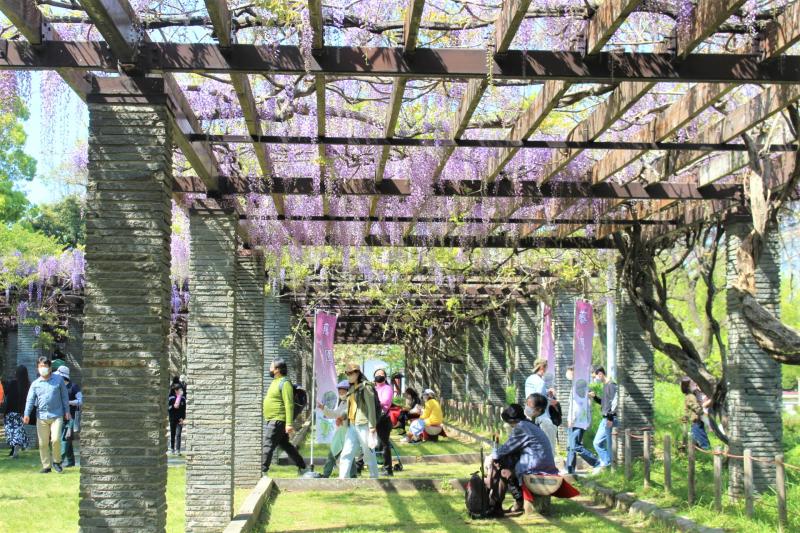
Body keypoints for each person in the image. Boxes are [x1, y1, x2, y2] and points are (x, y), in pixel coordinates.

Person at [488, 402, 577, 513]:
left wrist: (492, 455)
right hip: (544, 464)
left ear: (511, 420)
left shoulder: (521, 427)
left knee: (502, 467)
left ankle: (499, 505)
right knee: (506, 463)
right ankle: (509, 503)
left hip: (535, 466)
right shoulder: (529, 425)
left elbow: (507, 448)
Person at [23, 357, 70, 473]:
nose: (42, 368)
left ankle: (57, 462)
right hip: (42, 417)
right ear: (37, 368)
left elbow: (65, 396)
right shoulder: (35, 384)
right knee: (43, 443)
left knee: (55, 439)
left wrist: (67, 411)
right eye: (40, 366)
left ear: (49, 368)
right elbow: (30, 400)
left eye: (45, 366)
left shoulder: (58, 380)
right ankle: (46, 466)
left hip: (57, 415)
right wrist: (26, 414)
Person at [262, 358, 307, 474]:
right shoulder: (275, 381)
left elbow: (289, 404)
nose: (269, 369)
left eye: (271, 366)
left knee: (268, 444)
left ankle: (262, 471)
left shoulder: (285, 382)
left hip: (278, 419)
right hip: (273, 419)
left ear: (277, 369)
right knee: (286, 445)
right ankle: (302, 467)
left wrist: (289, 424)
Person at [338, 362, 379, 479]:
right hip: (352, 425)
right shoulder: (351, 388)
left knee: (368, 453)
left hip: (364, 425)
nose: (348, 375)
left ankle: (374, 478)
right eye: (347, 373)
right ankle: (342, 480)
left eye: (350, 373)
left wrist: (372, 426)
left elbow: (371, 408)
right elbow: (350, 407)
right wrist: (342, 417)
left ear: (357, 373)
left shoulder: (366, 387)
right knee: (346, 453)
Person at [317, 380, 357, 478]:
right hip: (341, 432)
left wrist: (341, 418)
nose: (341, 393)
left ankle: (352, 476)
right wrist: (323, 408)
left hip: (349, 432)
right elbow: (335, 414)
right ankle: (327, 474)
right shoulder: (342, 402)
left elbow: (346, 413)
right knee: (334, 453)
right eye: (339, 392)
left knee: (347, 454)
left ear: (348, 391)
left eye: (343, 391)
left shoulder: (352, 401)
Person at [564, 365, 600, 474]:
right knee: (571, 446)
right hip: (577, 420)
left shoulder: (579, 384)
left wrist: (572, 418)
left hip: (577, 421)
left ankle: (596, 462)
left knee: (575, 446)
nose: (567, 374)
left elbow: (578, 405)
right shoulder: (578, 384)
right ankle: (570, 469)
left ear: (574, 372)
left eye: (569, 371)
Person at [523, 358, 558, 456]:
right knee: (548, 443)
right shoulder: (540, 382)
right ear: (542, 367)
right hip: (541, 416)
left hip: (529, 414)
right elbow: (538, 400)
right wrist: (551, 402)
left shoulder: (530, 379)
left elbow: (532, 395)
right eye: (546, 368)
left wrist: (546, 391)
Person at [588, 366, 617, 468]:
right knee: (597, 443)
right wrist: (595, 397)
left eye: (595, 377)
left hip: (609, 419)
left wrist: (610, 418)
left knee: (609, 445)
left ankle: (610, 466)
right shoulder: (605, 385)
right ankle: (607, 463)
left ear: (600, 374)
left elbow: (615, 403)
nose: (595, 379)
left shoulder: (611, 385)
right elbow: (604, 403)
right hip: (605, 419)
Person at [54, 366, 82, 467]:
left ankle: (59, 461)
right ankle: (71, 461)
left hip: (71, 417)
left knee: (65, 438)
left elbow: (81, 400)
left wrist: (68, 402)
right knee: (66, 438)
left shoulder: (74, 387)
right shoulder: (58, 387)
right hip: (60, 416)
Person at [2, 365, 31, 458]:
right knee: (18, 430)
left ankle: (13, 448)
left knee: (11, 431)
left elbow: (6, 393)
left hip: (10, 411)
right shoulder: (28, 385)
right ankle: (15, 447)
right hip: (21, 412)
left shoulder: (13, 383)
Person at [373, 368, 394, 476]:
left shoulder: (387, 388)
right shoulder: (373, 388)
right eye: (377, 374)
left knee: (384, 444)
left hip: (384, 419)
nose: (379, 376)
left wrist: (374, 402)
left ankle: (388, 469)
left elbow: (386, 401)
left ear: (385, 377)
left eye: (381, 375)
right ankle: (359, 466)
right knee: (367, 442)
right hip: (373, 417)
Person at [682, 378, 710, 450]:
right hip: (696, 419)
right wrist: (703, 415)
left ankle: (702, 449)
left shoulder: (693, 394)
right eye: (693, 383)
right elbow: (695, 407)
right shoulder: (690, 396)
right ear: (688, 386)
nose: (695, 384)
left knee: (697, 435)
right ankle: (705, 449)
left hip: (697, 419)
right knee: (700, 437)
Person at [167, 383, 186, 455]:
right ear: (176, 390)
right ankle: (172, 449)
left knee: (178, 435)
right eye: (179, 389)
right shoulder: (171, 398)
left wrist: (183, 418)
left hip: (180, 419)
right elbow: (169, 408)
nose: (181, 391)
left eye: (181, 389)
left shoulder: (183, 398)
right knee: (173, 434)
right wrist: (173, 406)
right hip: (172, 418)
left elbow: (184, 410)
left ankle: (178, 450)